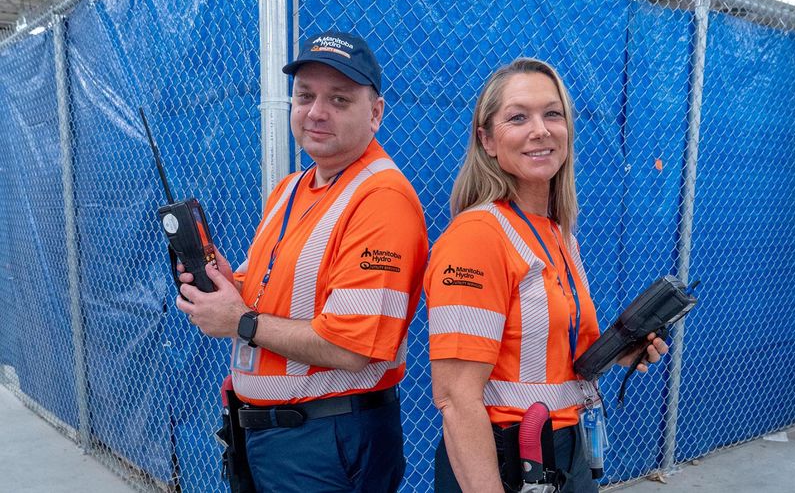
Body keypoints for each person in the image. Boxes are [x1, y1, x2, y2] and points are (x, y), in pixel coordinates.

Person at [176, 31, 428, 492]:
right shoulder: (292, 188)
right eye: (305, 96)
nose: (316, 111)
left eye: (339, 99)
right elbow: (275, 289)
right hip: (269, 436)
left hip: (327, 442)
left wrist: (241, 322)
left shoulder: (382, 200)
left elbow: (351, 348)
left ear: (375, 114)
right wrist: (228, 283)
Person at [424, 58, 669, 492]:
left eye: (552, 114)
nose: (540, 129)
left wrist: (621, 352)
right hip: (506, 457)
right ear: (487, 140)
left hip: (563, 448)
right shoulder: (478, 236)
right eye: (518, 117)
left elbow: (552, 358)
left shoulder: (557, 233)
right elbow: (457, 400)